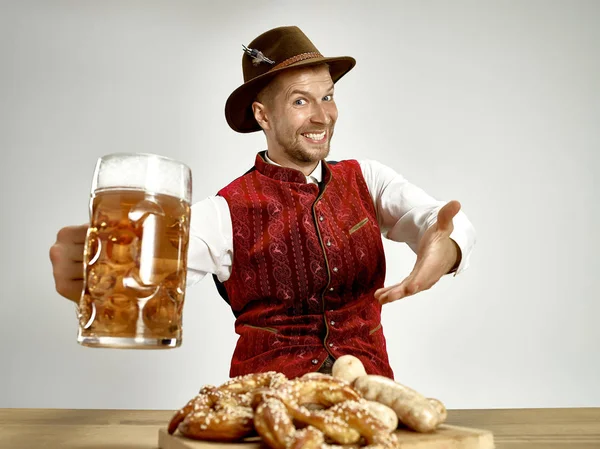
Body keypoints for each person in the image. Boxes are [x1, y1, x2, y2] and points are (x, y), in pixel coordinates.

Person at [49, 26, 476, 380]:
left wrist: (446, 247)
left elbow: (436, 222)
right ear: (262, 115)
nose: (322, 116)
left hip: (370, 400)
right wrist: (99, 275)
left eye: (327, 96)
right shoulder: (223, 213)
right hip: (264, 411)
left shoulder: (369, 179)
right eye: (300, 101)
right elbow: (144, 269)